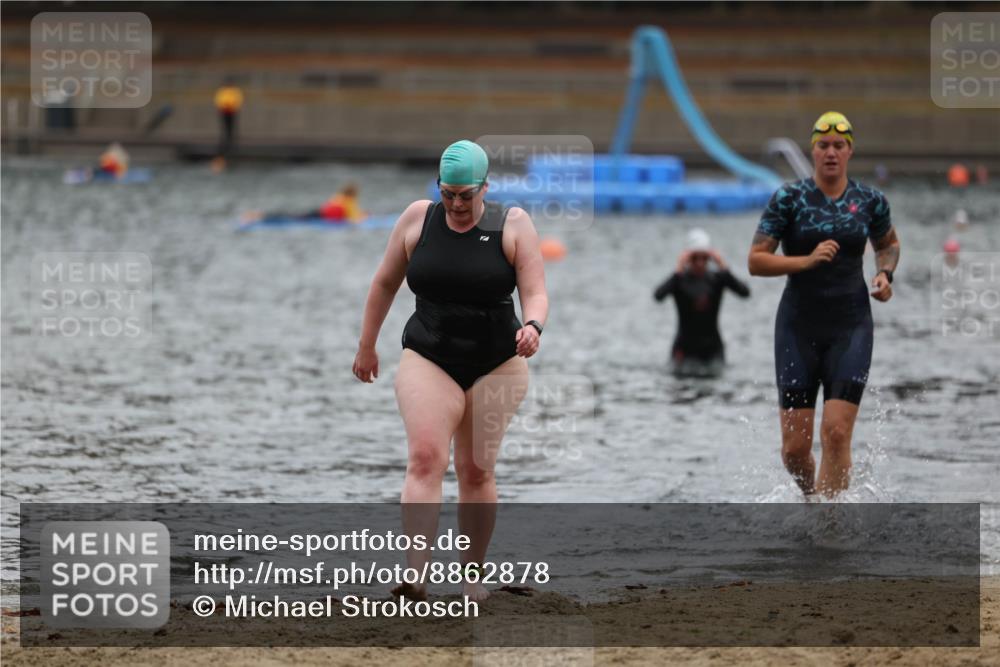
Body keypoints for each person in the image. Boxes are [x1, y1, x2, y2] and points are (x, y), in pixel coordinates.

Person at [352, 140, 548, 602]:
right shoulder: (418, 218)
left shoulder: (513, 224)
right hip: (428, 355)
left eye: (467, 194)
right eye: (449, 193)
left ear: (485, 187)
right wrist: (367, 346)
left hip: (498, 363)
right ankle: (415, 578)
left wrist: (535, 326)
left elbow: (535, 292)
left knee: (475, 470)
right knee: (425, 458)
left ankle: (471, 578)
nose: (457, 204)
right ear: (439, 187)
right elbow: (384, 281)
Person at [748, 111, 900, 499]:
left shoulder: (870, 200)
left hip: (850, 327)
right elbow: (756, 261)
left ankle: (830, 524)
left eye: (839, 146)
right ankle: (812, 501)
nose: (831, 152)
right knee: (794, 450)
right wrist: (806, 261)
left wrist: (885, 275)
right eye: (823, 145)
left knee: (835, 431)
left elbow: (888, 244)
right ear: (813, 151)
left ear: (850, 151)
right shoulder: (789, 198)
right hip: (798, 328)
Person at [653, 228, 750, 377]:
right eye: (695, 258)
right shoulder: (679, 280)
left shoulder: (718, 279)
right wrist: (677, 270)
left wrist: (723, 266)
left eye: (704, 258)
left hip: (712, 349)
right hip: (684, 350)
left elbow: (745, 293)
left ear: (710, 258)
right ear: (687, 258)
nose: (699, 263)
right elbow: (658, 296)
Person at [240, 183, 367, 225]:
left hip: (318, 212)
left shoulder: (339, 197)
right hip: (318, 216)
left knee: (290, 216)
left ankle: (258, 215)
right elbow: (353, 217)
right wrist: (362, 217)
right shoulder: (348, 201)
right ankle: (258, 216)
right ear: (353, 193)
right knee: (289, 218)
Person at [214, 81, 244, 157]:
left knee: (232, 125)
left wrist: (233, 106)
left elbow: (238, 100)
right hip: (224, 111)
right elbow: (219, 100)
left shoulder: (235, 91)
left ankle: (231, 139)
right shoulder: (223, 91)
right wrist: (224, 106)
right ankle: (226, 139)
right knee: (225, 125)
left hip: (232, 111)